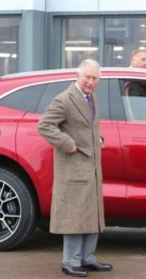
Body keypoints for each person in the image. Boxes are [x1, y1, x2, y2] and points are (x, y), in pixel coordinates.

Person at [37, 59, 112, 277]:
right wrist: (67, 143)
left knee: (91, 213)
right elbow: (44, 126)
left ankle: (87, 259)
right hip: (73, 167)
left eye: (94, 78)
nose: (91, 82)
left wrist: (96, 138)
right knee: (74, 215)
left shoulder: (91, 97)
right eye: (87, 77)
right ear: (77, 76)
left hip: (90, 166)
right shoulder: (65, 99)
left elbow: (85, 125)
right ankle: (70, 262)